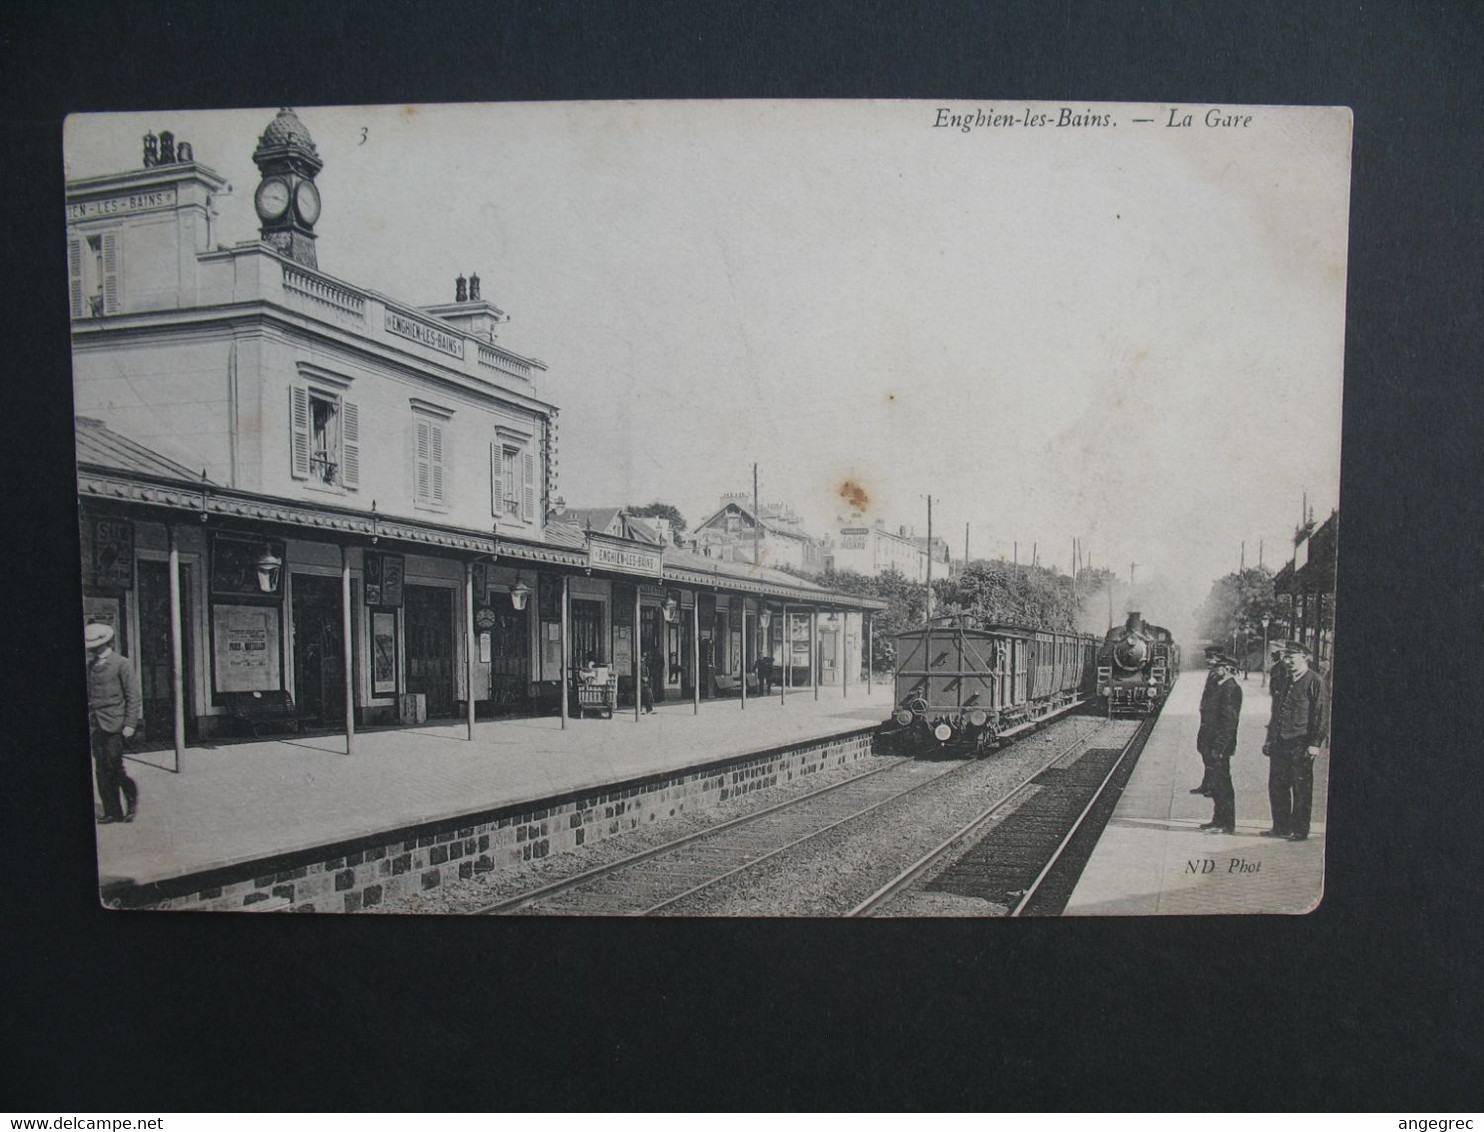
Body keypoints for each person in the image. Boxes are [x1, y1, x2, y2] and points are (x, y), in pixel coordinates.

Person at [1262, 641, 1329, 841]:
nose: (1288, 661)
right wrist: (1269, 739)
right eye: (1286, 657)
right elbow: (1276, 713)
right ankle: (1280, 827)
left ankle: (1300, 830)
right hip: (1280, 742)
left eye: (1292, 657)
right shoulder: (1285, 681)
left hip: (1301, 743)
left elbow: (1321, 714)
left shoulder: (1315, 681)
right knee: (1277, 786)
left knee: (1301, 788)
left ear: (1304, 657)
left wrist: (1315, 743)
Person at [85, 623, 142, 824]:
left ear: (106, 643)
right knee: (101, 769)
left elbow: (133, 696)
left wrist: (130, 724)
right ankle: (112, 811)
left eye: (95, 644)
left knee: (114, 766)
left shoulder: (122, 663)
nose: (91, 648)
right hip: (96, 725)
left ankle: (131, 802)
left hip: (116, 724)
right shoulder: (91, 666)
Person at [1199, 654, 1243, 833]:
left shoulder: (1231, 689)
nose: (1214, 671)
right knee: (1217, 784)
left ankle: (1226, 824)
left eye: (1217, 668)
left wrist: (1219, 746)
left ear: (1226, 669)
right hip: (1214, 744)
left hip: (1220, 746)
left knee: (1223, 784)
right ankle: (1217, 820)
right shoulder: (1222, 686)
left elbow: (1228, 722)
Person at [1190, 647, 1223, 795]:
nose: (1209, 661)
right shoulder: (1213, 674)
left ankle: (1213, 785)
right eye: (1208, 658)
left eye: (1212, 658)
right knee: (1205, 752)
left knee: (1212, 756)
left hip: (1214, 724)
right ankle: (1208, 783)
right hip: (1207, 722)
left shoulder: (1219, 676)